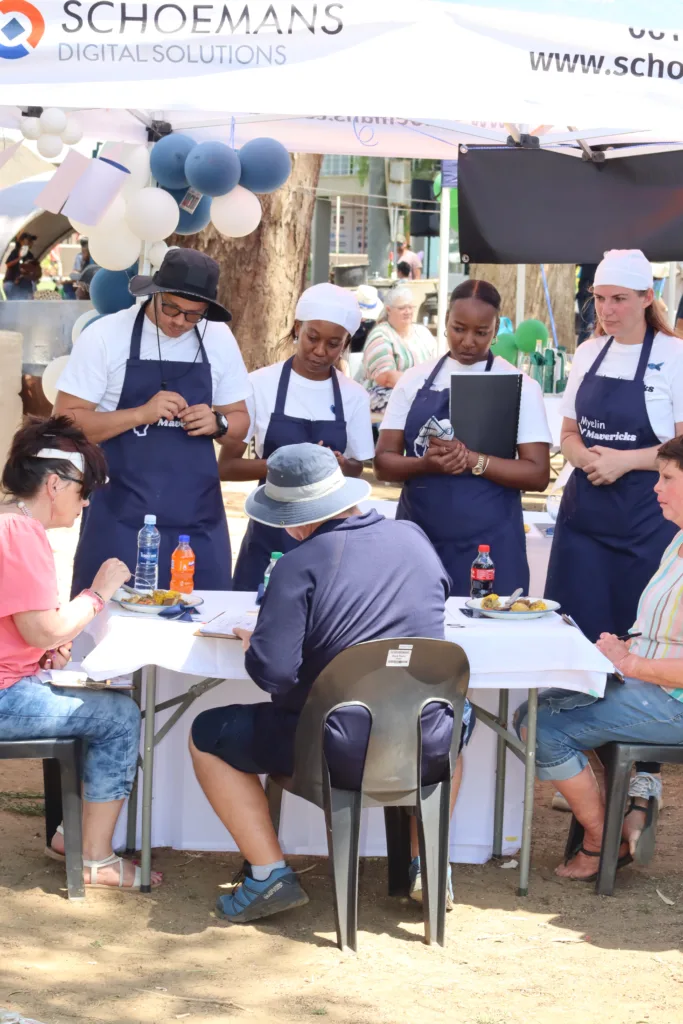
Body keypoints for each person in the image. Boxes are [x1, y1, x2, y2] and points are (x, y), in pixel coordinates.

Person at [190, 443, 474, 923]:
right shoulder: (412, 536)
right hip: (421, 738)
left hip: (333, 745)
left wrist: (257, 643)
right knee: (452, 722)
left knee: (207, 734)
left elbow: (274, 673)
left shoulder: (298, 564)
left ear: (292, 520)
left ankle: (268, 875)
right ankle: (429, 864)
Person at [545, 250, 683, 810]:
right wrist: (585, 460)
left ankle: (642, 777)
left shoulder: (674, 356)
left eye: (619, 299)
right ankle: (587, 768)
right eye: (599, 298)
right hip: (585, 520)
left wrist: (626, 462)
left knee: (641, 644)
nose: (607, 310)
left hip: (647, 519)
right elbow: (568, 432)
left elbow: (681, 446)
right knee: (583, 641)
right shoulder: (587, 352)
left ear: (648, 298)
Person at [0, 416, 161, 890]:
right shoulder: (20, 532)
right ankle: (95, 858)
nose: (86, 501)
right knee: (119, 716)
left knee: (100, 702)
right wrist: (98, 592)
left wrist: (41, 652)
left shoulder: (9, 522)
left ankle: (72, 836)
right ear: (54, 484)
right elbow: (42, 629)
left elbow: (26, 630)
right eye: (83, 489)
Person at [517, 435, 683, 878]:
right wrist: (625, 647)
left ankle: (601, 841)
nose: (656, 487)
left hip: (674, 701)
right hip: (655, 687)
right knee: (535, 708)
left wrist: (632, 664)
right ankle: (627, 810)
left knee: (541, 724)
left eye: (667, 478)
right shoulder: (677, 541)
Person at [54, 248, 250, 594]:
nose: (180, 321)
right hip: (118, 515)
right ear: (154, 293)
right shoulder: (106, 336)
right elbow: (64, 421)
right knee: (108, 616)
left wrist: (218, 422)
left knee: (203, 616)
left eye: (193, 315)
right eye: (171, 308)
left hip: (197, 520)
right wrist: (139, 414)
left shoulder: (219, 339)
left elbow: (241, 422)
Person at [374, 279, 551, 595]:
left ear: (495, 330)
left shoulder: (520, 385)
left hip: (492, 546)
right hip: (420, 542)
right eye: (458, 329)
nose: (468, 341)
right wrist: (425, 465)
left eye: (481, 332)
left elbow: (537, 474)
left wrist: (473, 461)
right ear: (445, 322)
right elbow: (383, 463)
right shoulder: (413, 380)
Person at [223, 283, 374, 592]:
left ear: (346, 343)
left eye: (333, 344)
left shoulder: (354, 396)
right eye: (312, 338)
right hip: (270, 530)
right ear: (296, 329)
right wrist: (290, 467)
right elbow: (225, 467)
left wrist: (338, 466)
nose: (320, 351)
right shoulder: (259, 385)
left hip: (330, 538)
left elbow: (357, 468)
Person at [361, 285, 436, 414]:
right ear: (388, 310)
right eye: (402, 308)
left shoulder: (423, 333)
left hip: (421, 391)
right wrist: (421, 385)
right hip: (386, 394)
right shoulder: (380, 335)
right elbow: (386, 378)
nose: (408, 311)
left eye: (410, 307)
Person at [4, 232, 36, 299]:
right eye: (28, 241)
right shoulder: (15, 252)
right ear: (21, 242)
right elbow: (8, 264)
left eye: (31, 241)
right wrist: (19, 258)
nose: (30, 243)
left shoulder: (30, 255)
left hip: (25, 284)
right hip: (11, 282)